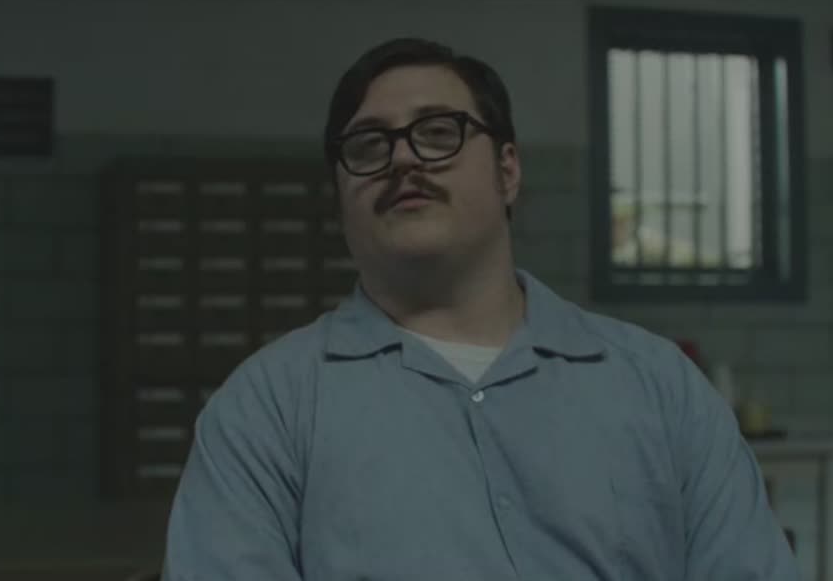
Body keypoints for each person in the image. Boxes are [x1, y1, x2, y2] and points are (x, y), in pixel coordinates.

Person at [161, 37, 800, 581]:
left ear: (507, 171)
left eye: (439, 133)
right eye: (368, 146)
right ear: (340, 196)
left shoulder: (661, 387)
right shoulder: (264, 411)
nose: (403, 158)